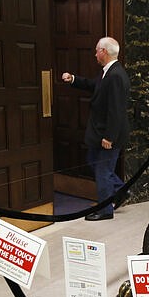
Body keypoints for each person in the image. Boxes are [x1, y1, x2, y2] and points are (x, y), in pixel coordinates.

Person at [62, 37, 130, 221]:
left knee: (103, 171)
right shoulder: (109, 72)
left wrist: (109, 137)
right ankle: (121, 191)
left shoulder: (115, 75)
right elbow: (94, 86)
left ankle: (105, 210)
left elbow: (116, 110)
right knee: (94, 161)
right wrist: (73, 79)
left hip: (108, 134)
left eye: (97, 50)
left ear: (104, 52)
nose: (95, 54)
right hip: (100, 132)